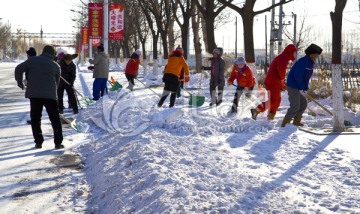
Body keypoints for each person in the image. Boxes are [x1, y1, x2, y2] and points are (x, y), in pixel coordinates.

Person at [15, 45, 64, 149]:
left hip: (35, 95)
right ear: (53, 54)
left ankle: (38, 142)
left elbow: (18, 69)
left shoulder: (32, 60)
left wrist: (19, 82)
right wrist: (52, 92)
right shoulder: (56, 66)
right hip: (50, 96)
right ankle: (58, 143)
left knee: (36, 118)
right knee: (55, 119)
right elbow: (57, 83)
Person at [251, 44, 298, 120]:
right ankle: (257, 109)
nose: (294, 55)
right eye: (293, 53)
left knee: (277, 100)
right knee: (274, 101)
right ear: (290, 52)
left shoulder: (284, 56)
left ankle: (271, 115)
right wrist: (283, 81)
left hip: (275, 81)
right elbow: (281, 70)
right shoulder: (284, 57)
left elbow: (280, 72)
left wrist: (283, 83)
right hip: (273, 82)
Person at [281, 44, 322, 127]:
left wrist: (305, 89)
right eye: (316, 54)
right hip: (293, 85)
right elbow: (298, 75)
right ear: (311, 54)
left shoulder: (310, 63)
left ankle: (296, 121)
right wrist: (300, 88)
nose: (317, 56)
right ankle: (285, 124)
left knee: (303, 104)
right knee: (295, 105)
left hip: (299, 86)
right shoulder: (302, 62)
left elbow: (306, 78)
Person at [25, 47, 37, 125]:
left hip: (34, 87)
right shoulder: (37, 61)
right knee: (35, 105)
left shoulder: (30, 62)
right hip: (36, 86)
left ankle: (34, 120)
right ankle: (34, 119)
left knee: (34, 105)